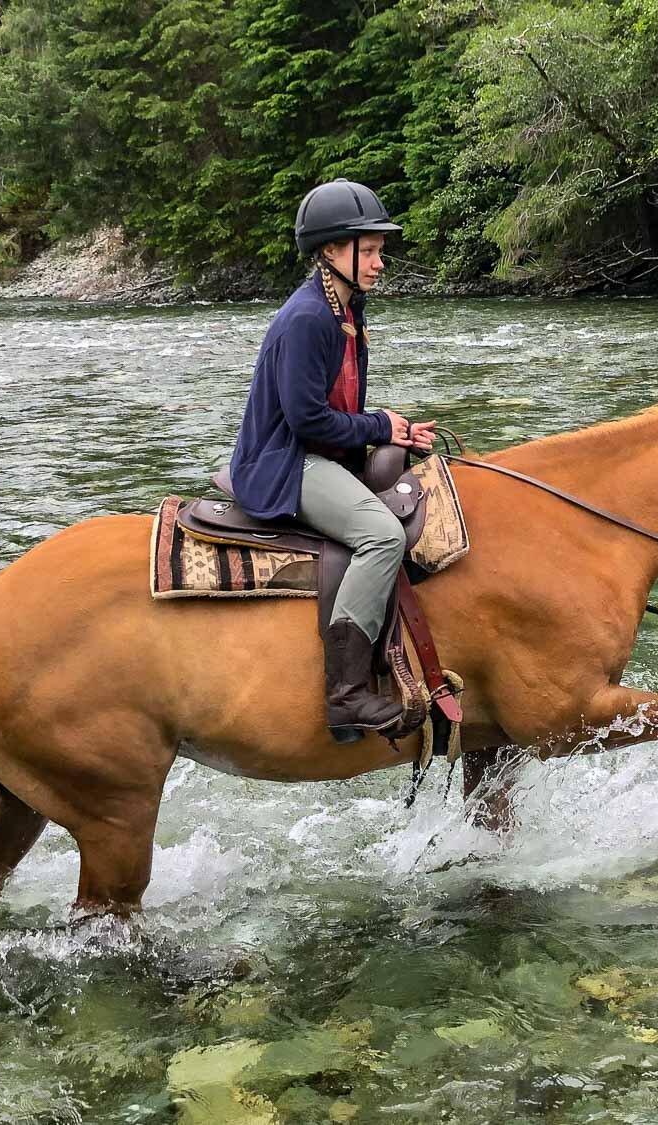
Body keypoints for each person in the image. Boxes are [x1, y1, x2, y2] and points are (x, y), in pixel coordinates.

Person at [228, 178, 437, 740]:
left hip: (317, 451)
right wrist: (379, 426)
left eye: (379, 251)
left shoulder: (346, 311)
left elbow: (337, 410)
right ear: (331, 250)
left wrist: (398, 433)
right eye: (368, 251)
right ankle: (346, 694)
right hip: (284, 461)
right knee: (383, 537)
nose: (379, 263)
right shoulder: (307, 319)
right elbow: (307, 420)